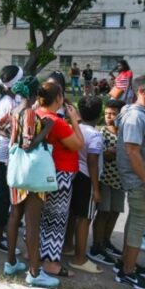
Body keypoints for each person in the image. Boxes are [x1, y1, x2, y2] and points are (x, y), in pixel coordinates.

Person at [4, 76, 59, 287]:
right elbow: (28, 144)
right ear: (36, 94)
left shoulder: (15, 110)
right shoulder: (28, 113)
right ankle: (34, 273)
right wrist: (46, 128)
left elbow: (5, 132)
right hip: (31, 174)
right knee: (33, 224)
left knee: (15, 215)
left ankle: (10, 263)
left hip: (17, 172)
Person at [114, 75, 145, 289]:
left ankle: (126, 262)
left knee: (134, 221)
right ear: (142, 91)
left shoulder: (141, 113)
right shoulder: (135, 116)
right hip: (139, 180)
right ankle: (127, 272)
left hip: (142, 179)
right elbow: (132, 151)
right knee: (137, 225)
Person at [35, 82, 84, 278]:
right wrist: (75, 119)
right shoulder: (58, 122)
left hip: (40, 172)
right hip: (60, 173)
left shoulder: (36, 114)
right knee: (57, 219)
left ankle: (39, 253)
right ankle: (51, 263)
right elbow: (78, 144)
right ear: (58, 99)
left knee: (42, 216)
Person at [65, 96, 104, 274]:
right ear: (99, 115)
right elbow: (93, 162)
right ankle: (80, 259)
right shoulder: (95, 135)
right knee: (85, 218)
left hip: (74, 174)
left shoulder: (75, 128)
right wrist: (96, 189)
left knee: (73, 214)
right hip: (88, 179)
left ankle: (67, 246)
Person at [0, 65, 23, 252]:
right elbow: (7, 128)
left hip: (1, 149)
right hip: (6, 150)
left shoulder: (3, 98)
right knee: (4, 195)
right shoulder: (11, 103)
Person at [89, 99, 127, 266]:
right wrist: (107, 153)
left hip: (120, 180)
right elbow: (96, 155)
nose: (109, 117)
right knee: (103, 212)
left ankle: (106, 241)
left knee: (115, 212)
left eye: (113, 114)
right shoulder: (101, 133)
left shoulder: (126, 134)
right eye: (107, 113)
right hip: (105, 179)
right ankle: (96, 246)